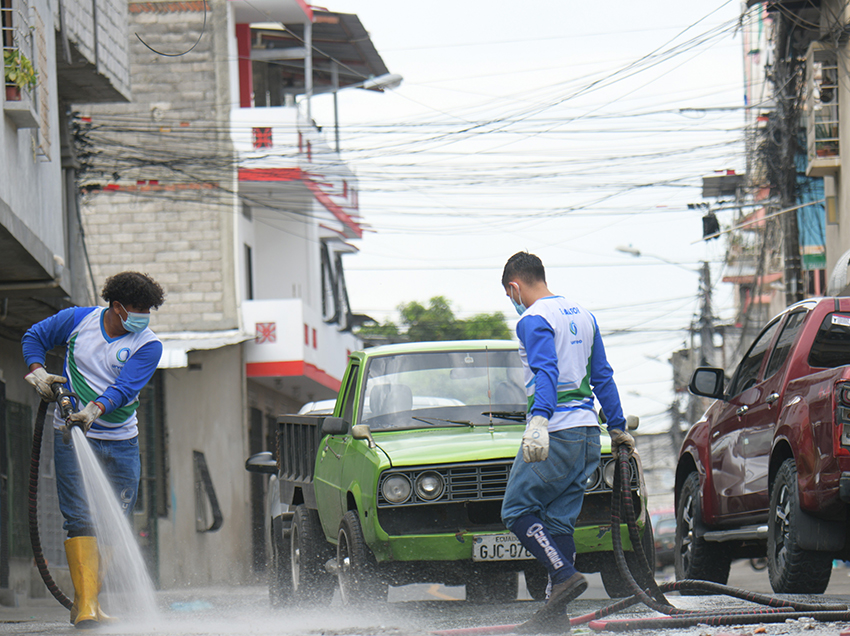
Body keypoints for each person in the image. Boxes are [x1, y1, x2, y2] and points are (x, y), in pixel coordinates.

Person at [499, 252, 634, 632]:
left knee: (516, 510)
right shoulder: (584, 315)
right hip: (589, 435)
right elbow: (603, 376)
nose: (512, 302)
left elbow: (546, 370)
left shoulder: (532, 319)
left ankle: (562, 573)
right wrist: (619, 427)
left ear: (515, 287)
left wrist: (539, 418)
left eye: (510, 295)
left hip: (556, 432)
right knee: (559, 521)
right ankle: (555, 617)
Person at [21, 272, 164, 629]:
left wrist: (94, 410)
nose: (143, 315)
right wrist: (38, 371)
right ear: (116, 307)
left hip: (122, 441)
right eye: (138, 309)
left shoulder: (149, 344)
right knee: (81, 518)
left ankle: (90, 601)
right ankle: (86, 606)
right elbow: (34, 336)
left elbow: (125, 387)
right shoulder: (78, 321)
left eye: (149, 309)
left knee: (115, 520)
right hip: (72, 435)